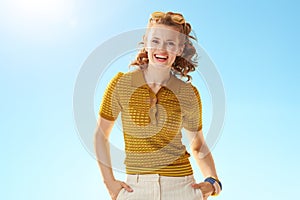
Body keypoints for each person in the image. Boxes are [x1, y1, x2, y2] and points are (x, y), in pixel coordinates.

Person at [94, 11, 222, 200]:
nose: (161, 49)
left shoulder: (188, 94)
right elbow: (100, 136)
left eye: (170, 43)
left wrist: (213, 182)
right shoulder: (121, 85)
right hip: (135, 189)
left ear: (179, 49)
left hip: (182, 187)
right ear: (146, 42)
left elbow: (197, 145)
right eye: (155, 41)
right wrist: (110, 184)